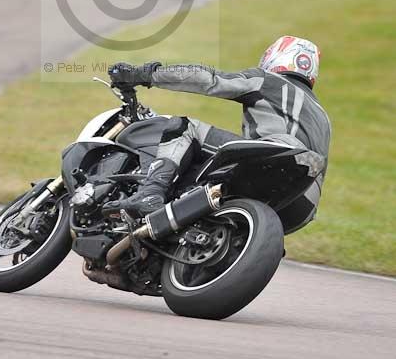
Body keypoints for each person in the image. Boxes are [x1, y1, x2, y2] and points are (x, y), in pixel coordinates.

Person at [107, 36, 331, 232]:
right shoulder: (323, 116)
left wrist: (144, 74)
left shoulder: (267, 80)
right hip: (302, 204)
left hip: (275, 158)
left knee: (184, 127)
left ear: (276, 57)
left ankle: (151, 191)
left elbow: (208, 80)